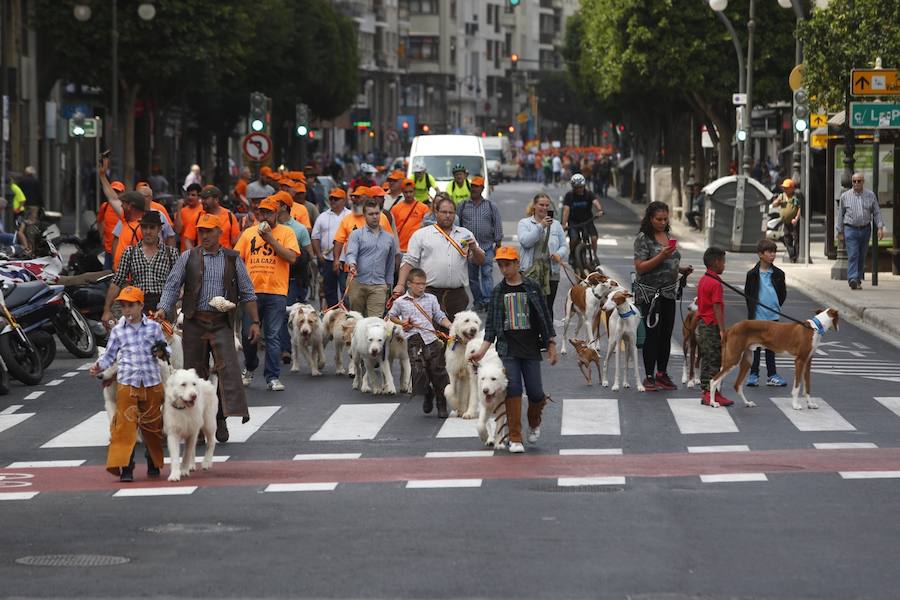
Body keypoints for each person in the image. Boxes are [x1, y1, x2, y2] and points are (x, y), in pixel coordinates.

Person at [157, 214, 260, 443]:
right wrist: (164, 308)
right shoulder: (188, 257)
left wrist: (254, 322)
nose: (204, 235)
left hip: (221, 323)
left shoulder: (233, 259)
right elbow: (173, 285)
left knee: (228, 373)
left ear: (219, 232)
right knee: (194, 375)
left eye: (209, 231)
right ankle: (199, 424)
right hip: (193, 322)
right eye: (201, 231)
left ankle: (220, 417)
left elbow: (248, 292)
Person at [468, 246, 558, 454]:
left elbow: (544, 318)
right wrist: (481, 352)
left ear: (518, 264)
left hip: (531, 348)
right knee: (514, 390)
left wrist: (551, 344)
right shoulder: (498, 291)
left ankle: (534, 422)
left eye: (508, 264)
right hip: (508, 349)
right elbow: (490, 326)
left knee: (536, 393)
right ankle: (515, 437)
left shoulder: (532, 287)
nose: (504, 268)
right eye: (500, 265)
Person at [89, 286, 167, 482]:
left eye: (131, 305)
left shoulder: (154, 328)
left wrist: (161, 352)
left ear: (141, 305)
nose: (127, 310)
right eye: (123, 306)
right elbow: (109, 355)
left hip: (151, 383)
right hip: (126, 383)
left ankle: (153, 461)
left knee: (153, 427)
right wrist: (98, 367)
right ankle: (126, 467)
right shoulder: (118, 331)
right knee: (124, 426)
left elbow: (167, 352)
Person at [234, 195, 299, 391]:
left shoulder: (287, 233)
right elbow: (237, 259)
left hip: (276, 292)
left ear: (277, 213)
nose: (265, 216)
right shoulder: (248, 234)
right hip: (251, 293)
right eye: (262, 212)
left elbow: (291, 258)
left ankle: (272, 377)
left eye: (269, 213)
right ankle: (251, 366)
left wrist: (270, 239)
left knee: (272, 336)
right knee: (248, 335)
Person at [633, 201, 693, 392]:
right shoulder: (644, 239)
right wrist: (662, 256)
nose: (662, 222)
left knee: (666, 335)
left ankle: (662, 373)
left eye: (665, 219)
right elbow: (640, 267)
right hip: (651, 295)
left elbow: (670, 263)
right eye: (658, 219)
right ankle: (649, 375)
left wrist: (682, 269)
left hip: (669, 292)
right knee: (653, 335)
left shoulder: (668, 236)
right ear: (650, 219)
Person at [394, 195, 485, 321]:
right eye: (444, 212)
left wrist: (474, 248)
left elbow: (480, 261)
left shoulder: (466, 235)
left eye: (451, 212)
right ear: (436, 212)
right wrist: (400, 285)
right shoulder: (422, 235)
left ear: (455, 215)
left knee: (456, 335)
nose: (447, 215)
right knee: (430, 335)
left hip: (457, 296)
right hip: (429, 294)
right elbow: (409, 262)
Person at [387, 267, 453, 417]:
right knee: (419, 371)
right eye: (418, 284)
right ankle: (428, 393)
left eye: (424, 284)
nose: (422, 287)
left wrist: (450, 326)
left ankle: (441, 403)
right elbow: (391, 316)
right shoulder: (400, 302)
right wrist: (403, 322)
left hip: (431, 338)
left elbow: (438, 315)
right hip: (413, 339)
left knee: (438, 372)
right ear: (409, 284)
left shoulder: (431, 299)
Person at [103, 211, 180, 326]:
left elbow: (178, 284)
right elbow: (116, 282)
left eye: (152, 227)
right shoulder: (130, 252)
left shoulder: (171, 253)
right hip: (137, 307)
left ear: (159, 229)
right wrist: (107, 310)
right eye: (144, 227)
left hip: (163, 307)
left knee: (163, 342)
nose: (148, 231)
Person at [743, 239, 787, 388]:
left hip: (773, 316)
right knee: (755, 347)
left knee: (771, 346)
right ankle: (753, 374)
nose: (773, 255)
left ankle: (772, 375)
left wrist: (775, 306)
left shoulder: (779, 274)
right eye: (769, 252)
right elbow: (748, 294)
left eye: (774, 252)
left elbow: (782, 294)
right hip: (757, 317)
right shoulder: (752, 275)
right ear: (760, 254)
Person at [276, 191, 314, 359]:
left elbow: (309, 254)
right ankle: (283, 347)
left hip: (293, 280)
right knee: (277, 314)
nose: (272, 207)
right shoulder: (268, 228)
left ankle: (286, 349)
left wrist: (294, 257)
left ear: (284, 206)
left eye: (275, 204)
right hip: (274, 279)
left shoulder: (299, 229)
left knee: (288, 314)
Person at [517, 193, 568, 318]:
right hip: (531, 272)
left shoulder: (556, 225)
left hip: (551, 272)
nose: (544, 208)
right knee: (531, 307)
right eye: (541, 205)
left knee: (547, 307)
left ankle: (547, 336)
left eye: (547, 205)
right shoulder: (525, 223)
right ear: (534, 205)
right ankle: (531, 336)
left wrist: (558, 254)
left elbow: (564, 245)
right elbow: (526, 242)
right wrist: (541, 226)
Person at [345, 199, 398, 317]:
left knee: (375, 322)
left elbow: (390, 264)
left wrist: (389, 286)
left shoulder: (390, 238)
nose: (374, 217)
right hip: (358, 282)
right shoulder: (357, 234)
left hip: (379, 286)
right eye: (371, 214)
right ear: (364, 216)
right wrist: (352, 264)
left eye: (377, 213)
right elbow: (351, 253)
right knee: (356, 320)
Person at [457, 176, 503, 311]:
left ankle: (488, 301)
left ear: (482, 188)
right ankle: (478, 301)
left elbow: (497, 224)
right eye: (472, 186)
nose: (474, 189)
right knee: (472, 277)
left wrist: (498, 243)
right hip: (469, 249)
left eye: (477, 186)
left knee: (486, 274)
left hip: (487, 246)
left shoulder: (490, 206)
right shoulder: (463, 205)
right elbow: (458, 226)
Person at [696, 247, 733, 407]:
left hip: (702, 323)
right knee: (715, 360)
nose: (724, 266)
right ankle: (712, 393)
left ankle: (706, 391)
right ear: (716, 262)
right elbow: (717, 306)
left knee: (706, 358)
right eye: (723, 262)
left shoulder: (704, 279)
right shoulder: (715, 283)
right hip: (712, 325)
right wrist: (722, 330)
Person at [836, 172, 885, 290]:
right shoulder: (845, 196)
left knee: (861, 255)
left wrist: (880, 227)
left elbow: (876, 212)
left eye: (859, 181)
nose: (856, 183)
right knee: (853, 254)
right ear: (852, 182)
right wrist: (840, 231)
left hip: (865, 229)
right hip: (850, 229)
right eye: (854, 181)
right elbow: (840, 215)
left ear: (863, 182)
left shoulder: (870, 195)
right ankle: (852, 278)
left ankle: (857, 280)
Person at [312, 188, 351, 308]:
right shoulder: (322, 216)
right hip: (328, 260)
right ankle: (332, 314)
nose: (333, 201)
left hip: (346, 260)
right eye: (331, 198)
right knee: (329, 290)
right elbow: (315, 236)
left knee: (346, 291)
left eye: (336, 199)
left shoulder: (350, 215)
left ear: (344, 200)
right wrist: (319, 255)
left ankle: (346, 315)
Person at [561, 173, 604, 262]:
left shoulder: (588, 193)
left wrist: (599, 210)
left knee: (594, 238)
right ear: (573, 187)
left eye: (581, 187)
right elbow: (566, 210)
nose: (579, 189)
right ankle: (572, 254)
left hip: (587, 220)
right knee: (574, 239)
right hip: (574, 221)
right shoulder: (569, 196)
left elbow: (595, 201)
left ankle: (595, 255)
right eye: (577, 188)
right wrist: (564, 224)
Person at [390, 178, 429, 258]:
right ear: (402, 192)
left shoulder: (423, 208)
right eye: (406, 192)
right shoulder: (395, 208)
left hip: (417, 249)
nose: (408, 194)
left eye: (410, 192)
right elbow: (392, 230)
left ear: (414, 191)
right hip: (400, 250)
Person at [770, 178, 802, 263]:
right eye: (784, 188)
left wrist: (796, 218)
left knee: (796, 238)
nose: (785, 189)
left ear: (792, 188)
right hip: (786, 222)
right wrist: (777, 201)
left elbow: (799, 208)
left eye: (787, 188)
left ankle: (796, 255)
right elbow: (774, 205)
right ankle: (792, 255)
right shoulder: (782, 196)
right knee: (787, 238)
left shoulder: (795, 197)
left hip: (794, 222)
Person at [96, 180, 126, 269]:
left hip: (121, 250)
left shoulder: (126, 208)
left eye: (118, 191)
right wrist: (102, 236)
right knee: (106, 275)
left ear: (123, 193)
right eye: (113, 191)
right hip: (108, 248)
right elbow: (99, 221)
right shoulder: (104, 206)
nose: (115, 194)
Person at [175, 182, 204, 251]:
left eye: (193, 195)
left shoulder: (204, 210)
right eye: (188, 195)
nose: (190, 197)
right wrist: (179, 209)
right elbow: (178, 230)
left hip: (199, 251)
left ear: (199, 196)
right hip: (184, 252)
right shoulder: (182, 211)